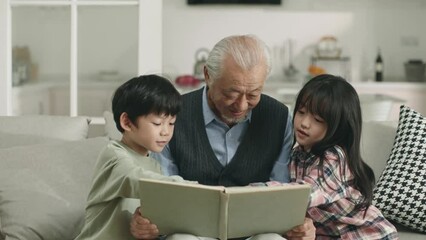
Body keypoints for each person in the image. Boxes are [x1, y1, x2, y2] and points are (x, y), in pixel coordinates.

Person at [130, 34, 316, 240]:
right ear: (208, 75)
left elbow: (282, 190)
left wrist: (300, 226)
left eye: (254, 94)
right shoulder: (172, 116)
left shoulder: (280, 118)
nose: (242, 105)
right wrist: (147, 223)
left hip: (255, 232)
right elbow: (164, 190)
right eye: (231, 93)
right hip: (192, 232)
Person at [75, 75, 188, 239]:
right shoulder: (113, 155)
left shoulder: (155, 166)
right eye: (157, 123)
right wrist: (186, 186)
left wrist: (149, 226)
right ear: (127, 122)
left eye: (171, 123)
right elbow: (134, 179)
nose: (166, 131)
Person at [290, 74, 398, 239]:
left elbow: (301, 194)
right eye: (301, 111)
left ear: (339, 127)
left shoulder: (334, 157)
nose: (304, 122)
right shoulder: (296, 155)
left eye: (318, 119)